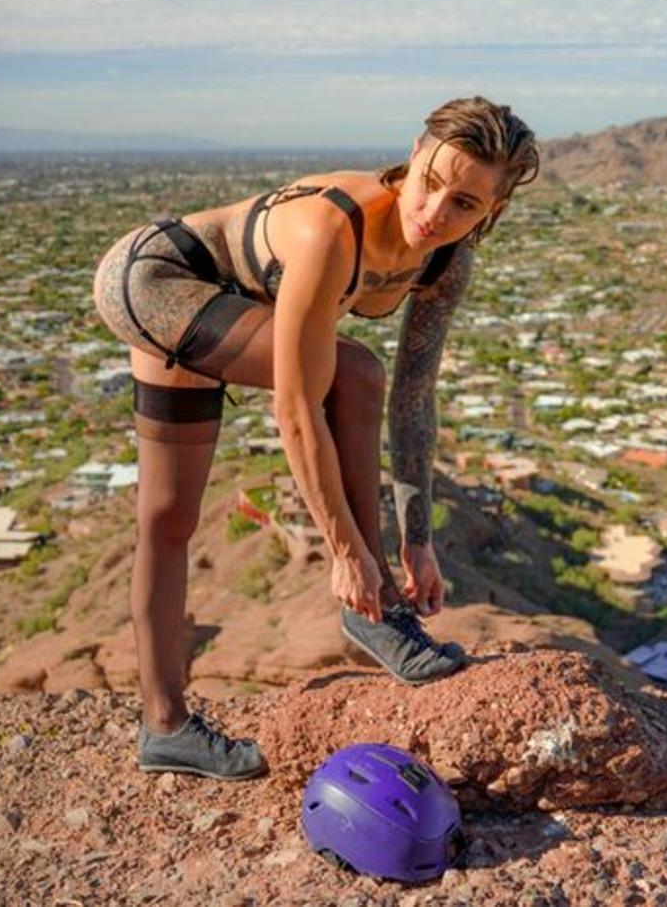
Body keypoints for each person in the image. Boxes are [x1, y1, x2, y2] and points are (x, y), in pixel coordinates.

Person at [92, 96, 539, 779]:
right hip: (157, 280)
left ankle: (167, 731)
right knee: (348, 376)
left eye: (465, 205)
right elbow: (299, 406)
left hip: (219, 306)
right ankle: (368, 612)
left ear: (492, 213)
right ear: (411, 157)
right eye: (432, 181)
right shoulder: (334, 229)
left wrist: (418, 540)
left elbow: (414, 401)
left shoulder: (444, 265)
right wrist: (346, 553)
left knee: (172, 513)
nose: (435, 212)